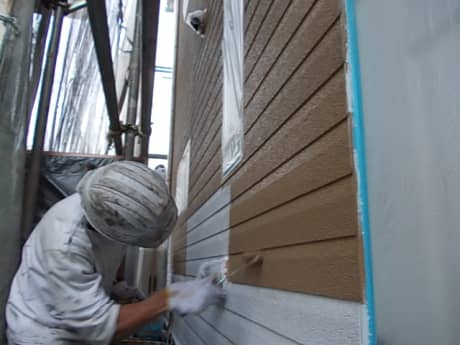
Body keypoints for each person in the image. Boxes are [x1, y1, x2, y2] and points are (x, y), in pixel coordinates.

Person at [6, 161, 224, 345]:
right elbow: (100, 325)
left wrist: (118, 288)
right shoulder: (65, 247)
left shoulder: (111, 208)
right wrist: (167, 299)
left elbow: (102, 258)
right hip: (44, 334)